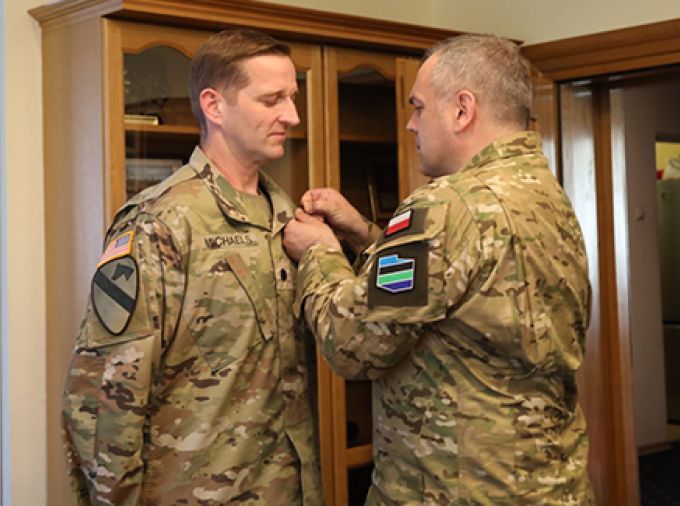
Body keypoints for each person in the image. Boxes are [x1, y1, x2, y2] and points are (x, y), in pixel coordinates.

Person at [284, 34, 594, 504]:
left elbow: (353, 345)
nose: (409, 124)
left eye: (418, 107)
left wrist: (319, 252)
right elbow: (456, 284)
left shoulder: (447, 206)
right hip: (548, 484)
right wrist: (368, 236)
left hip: (457, 490)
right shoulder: (544, 193)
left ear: (462, 110)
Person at [62, 28, 322, 505]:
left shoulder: (287, 216)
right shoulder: (161, 222)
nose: (293, 115)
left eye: (292, 97)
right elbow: (102, 396)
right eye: (272, 100)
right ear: (214, 105)